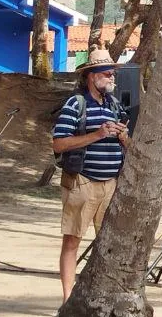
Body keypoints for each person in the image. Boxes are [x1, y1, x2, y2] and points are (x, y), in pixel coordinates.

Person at [50, 48, 129, 302]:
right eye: (107, 74)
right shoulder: (76, 104)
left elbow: (129, 143)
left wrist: (123, 136)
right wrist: (96, 134)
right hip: (82, 181)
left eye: (113, 74)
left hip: (111, 183)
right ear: (91, 76)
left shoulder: (115, 106)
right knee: (72, 241)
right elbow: (59, 144)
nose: (112, 78)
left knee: (108, 244)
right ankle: (66, 299)